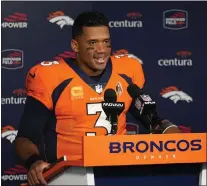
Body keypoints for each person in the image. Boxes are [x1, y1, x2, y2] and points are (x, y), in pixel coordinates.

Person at [15, 11, 181, 186]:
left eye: (106, 42)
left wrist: (176, 137)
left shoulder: (127, 71)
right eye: (92, 43)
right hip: (68, 176)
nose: (101, 50)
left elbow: (151, 120)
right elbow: (24, 138)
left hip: (118, 173)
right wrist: (34, 162)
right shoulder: (50, 77)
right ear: (75, 46)